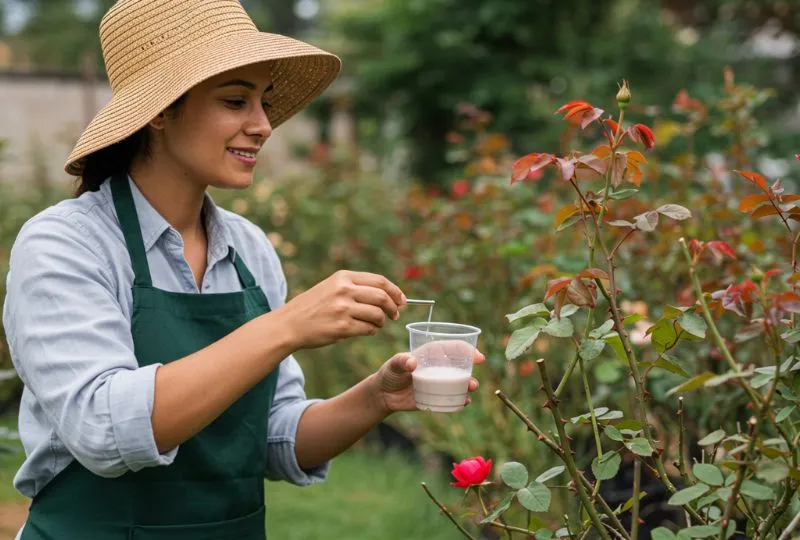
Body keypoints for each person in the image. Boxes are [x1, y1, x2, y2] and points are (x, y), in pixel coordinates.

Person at [1, 1, 484, 538]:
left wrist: (378, 397)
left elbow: (274, 437)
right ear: (160, 111)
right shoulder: (68, 244)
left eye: (263, 102)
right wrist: (284, 327)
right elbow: (102, 428)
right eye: (235, 101)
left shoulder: (249, 249)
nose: (262, 125)